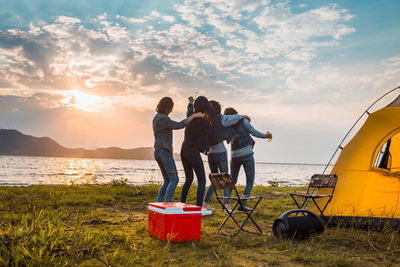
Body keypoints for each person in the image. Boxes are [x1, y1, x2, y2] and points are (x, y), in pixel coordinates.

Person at [202, 100, 251, 212]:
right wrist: (243, 116)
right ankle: (226, 206)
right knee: (226, 180)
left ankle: (204, 204)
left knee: (214, 180)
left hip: (210, 154)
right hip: (220, 153)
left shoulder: (206, 121)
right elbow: (234, 118)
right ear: (218, 109)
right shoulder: (221, 118)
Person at [153, 97, 204, 202]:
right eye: (171, 107)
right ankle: (167, 204)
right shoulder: (163, 118)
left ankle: (158, 204)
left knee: (167, 180)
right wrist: (193, 116)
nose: (172, 110)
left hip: (157, 151)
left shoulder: (156, 118)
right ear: (167, 108)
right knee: (174, 179)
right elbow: (178, 125)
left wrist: (190, 104)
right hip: (164, 151)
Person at [224, 107, 272, 212]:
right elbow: (254, 132)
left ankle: (226, 204)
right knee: (249, 181)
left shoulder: (227, 125)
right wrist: (266, 136)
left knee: (232, 181)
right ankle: (242, 206)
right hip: (247, 155)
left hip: (234, 155)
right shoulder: (243, 121)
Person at [180, 96, 214, 216]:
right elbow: (209, 134)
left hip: (183, 150)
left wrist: (190, 102)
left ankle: (181, 204)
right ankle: (199, 209)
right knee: (202, 180)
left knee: (189, 179)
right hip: (193, 151)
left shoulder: (190, 117)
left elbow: (189, 110)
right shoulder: (203, 121)